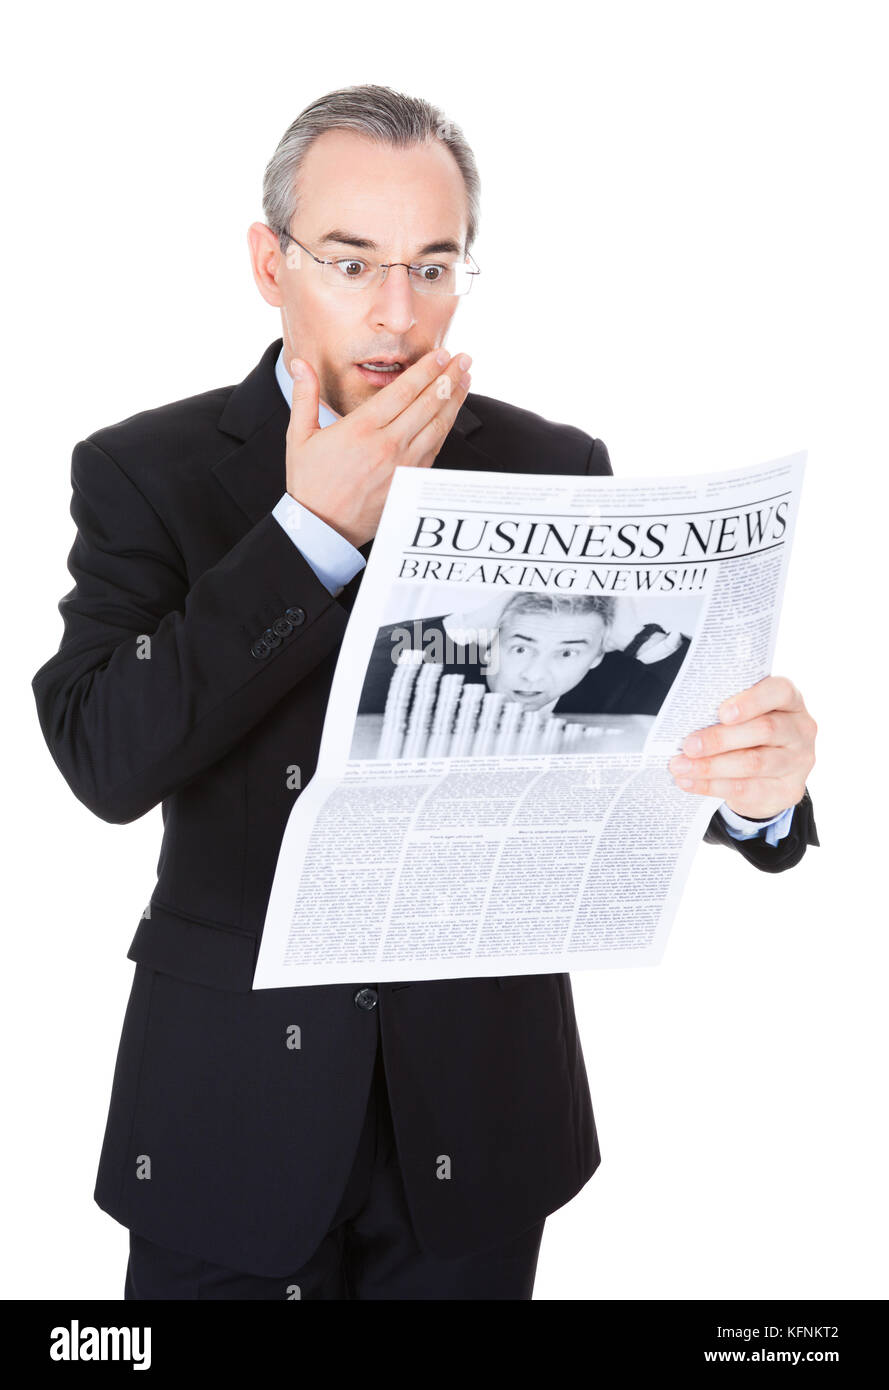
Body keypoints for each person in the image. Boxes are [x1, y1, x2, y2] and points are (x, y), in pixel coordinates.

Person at [31, 83, 819, 1301]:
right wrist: (306, 537)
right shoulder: (147, 471)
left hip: (480, 1110)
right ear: (268, 262)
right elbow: (102, 758)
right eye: (351, 263)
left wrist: (753, 792)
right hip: (230, 1110)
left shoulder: (555, 465)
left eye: (434, 266)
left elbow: (615, 736)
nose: (399, 314)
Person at [358, 592, 693, 721]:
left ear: (596, 656)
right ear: (491, 642)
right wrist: (466, 625)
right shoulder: (437, 660)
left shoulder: (623, 686)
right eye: (520, 648)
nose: (534, 675)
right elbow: (342, 679)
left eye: (567, 653)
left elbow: (718, 706)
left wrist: (640, 641)